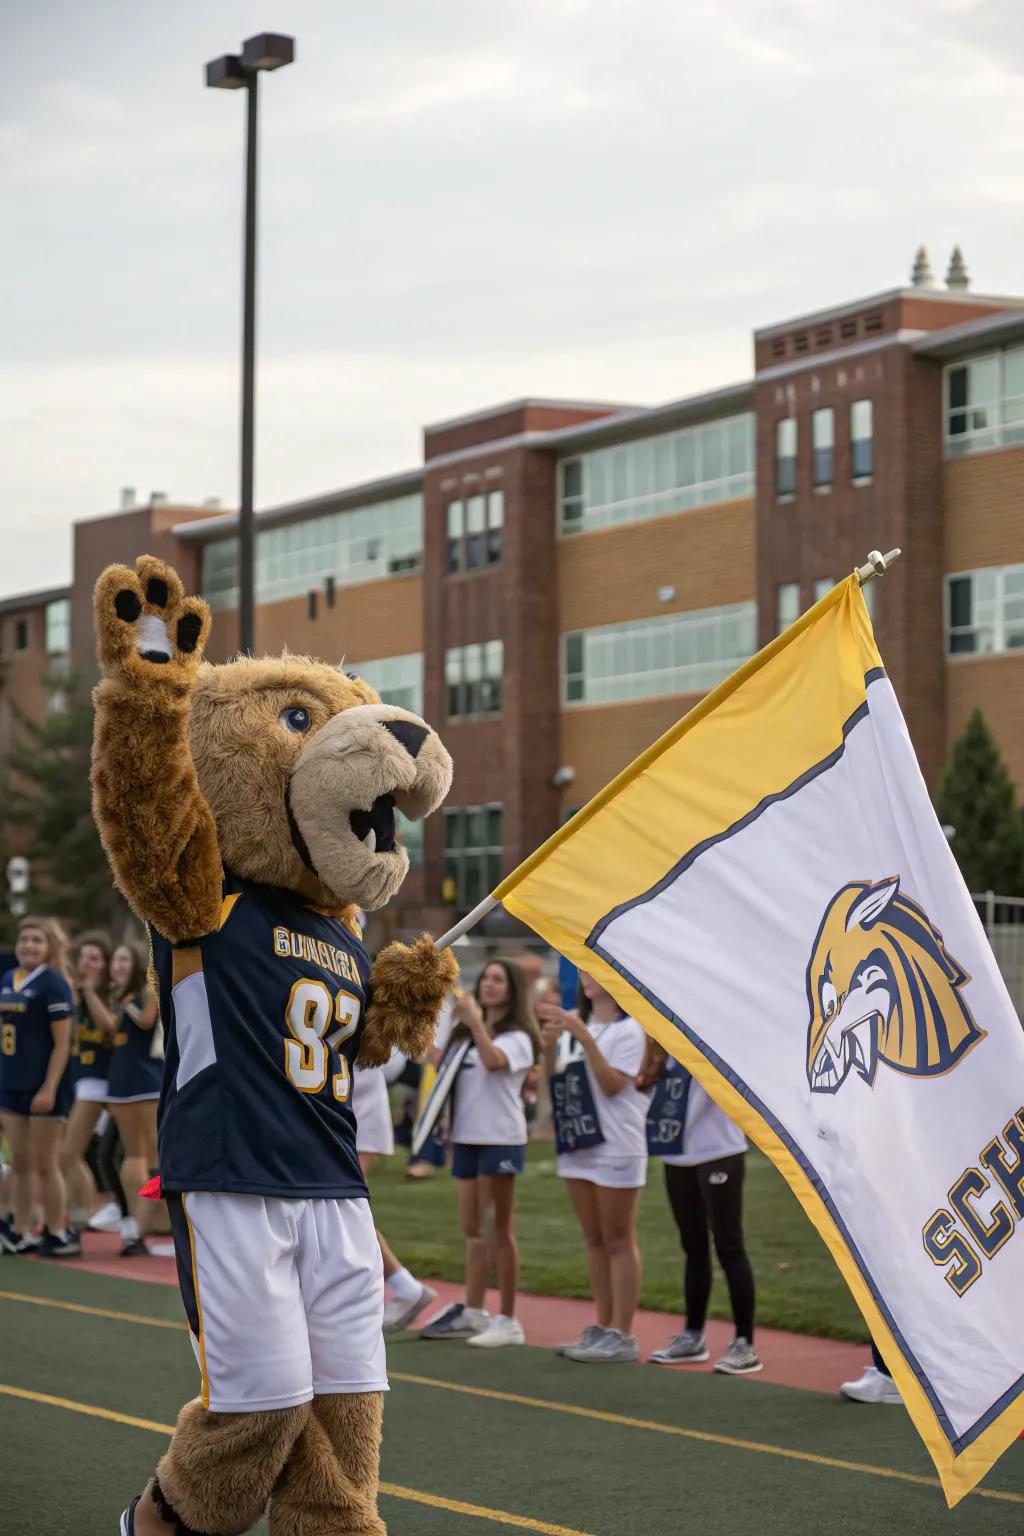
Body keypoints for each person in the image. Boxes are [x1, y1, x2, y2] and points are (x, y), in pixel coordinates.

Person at [421, 960, 539, 1347]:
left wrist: (474, 1023)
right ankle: (473, 1310)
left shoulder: (518, 1036)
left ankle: (508, 1319)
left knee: (498, 1229)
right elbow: (445, 1068)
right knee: (472, 1228)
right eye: (485, 977)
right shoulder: (464, 1034)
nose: (488, 985)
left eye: (498, 980)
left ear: (513, 989)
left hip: (501, 1138)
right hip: (467, 1137)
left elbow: (493, 1062)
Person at [539, 971, 648, 1363]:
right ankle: (603, 1327)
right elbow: (553, 1084)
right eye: (582, 970)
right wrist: (550, 1047)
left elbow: (612, 1085)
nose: (586, 976)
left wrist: (582, 1035)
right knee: (595, 1240)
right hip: (578, 1140)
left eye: (593, 969)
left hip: (618, 1142)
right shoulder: (575, 1020)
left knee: (619, 1238)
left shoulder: (631, 1030)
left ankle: (624, 1333)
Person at [640, 1041, 761, 1375]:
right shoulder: (663, 1041)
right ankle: (693, 1335)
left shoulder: (709, 1033)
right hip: (677, 1153)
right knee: (692, 1246)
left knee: (728, 1244)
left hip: (719, 1150)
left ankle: (744, 1342)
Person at [0, 915, 79, 1257]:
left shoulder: (54, 984)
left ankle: (57, 1231)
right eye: (24, 939)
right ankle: (19, 1230)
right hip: (11, 1083)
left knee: (47, 1164)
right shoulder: (7, 979)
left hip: (44, 1086)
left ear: (49, 948)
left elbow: (62, 1044)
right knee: (19, 1162)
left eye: (36, 940)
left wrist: (48, 1087)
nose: (28, 945)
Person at [351, 1048, 437, 1332]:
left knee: (343, 1212)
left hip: (352, 1115)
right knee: (342, 1214)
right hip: (344, 1112)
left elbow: (392, 1063)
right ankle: (405, 1287)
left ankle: (406, 1288)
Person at [102, 941, 163, 1256]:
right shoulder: (120, 996)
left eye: (124, 959)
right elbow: (110, 1030)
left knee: (147, 1158)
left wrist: (125, 1003)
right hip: (122, 1080)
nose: (117, 966)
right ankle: (133, 1227)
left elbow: (147, 1019)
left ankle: (139, 1228)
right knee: (130, 1156)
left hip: (144, 1080)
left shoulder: (147, 988)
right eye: (116, 960)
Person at [61, 930, 120, 1232]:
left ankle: (89, 1211)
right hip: (81, 1076)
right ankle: (91, 1209)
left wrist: (90, 993)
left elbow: (109, 1029)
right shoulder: (76, 991)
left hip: (104, 1079)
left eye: (94, 958)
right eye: (83, 957)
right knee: (91, 1151)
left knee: (69, 1153)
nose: (86, 963)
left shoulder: (111, 991)